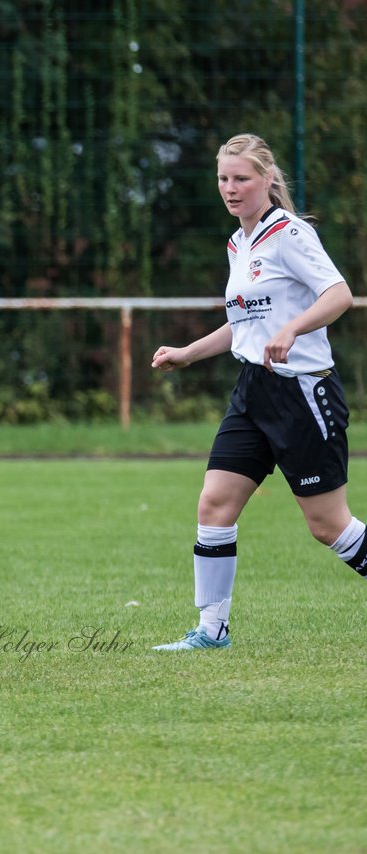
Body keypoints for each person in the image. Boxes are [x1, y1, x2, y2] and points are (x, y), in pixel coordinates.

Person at [150, 132, 362, 651]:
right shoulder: (238, 243)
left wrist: (292, 330)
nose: (230, 187)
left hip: (302, 394)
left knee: (328, 526)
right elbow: (241, 325)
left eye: (241, 178)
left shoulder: (289, 233)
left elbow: (339, 295)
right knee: (214, 504)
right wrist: (187, 352)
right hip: (252, 393)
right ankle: (211, 629)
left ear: (267, 179)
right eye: (223, 178)